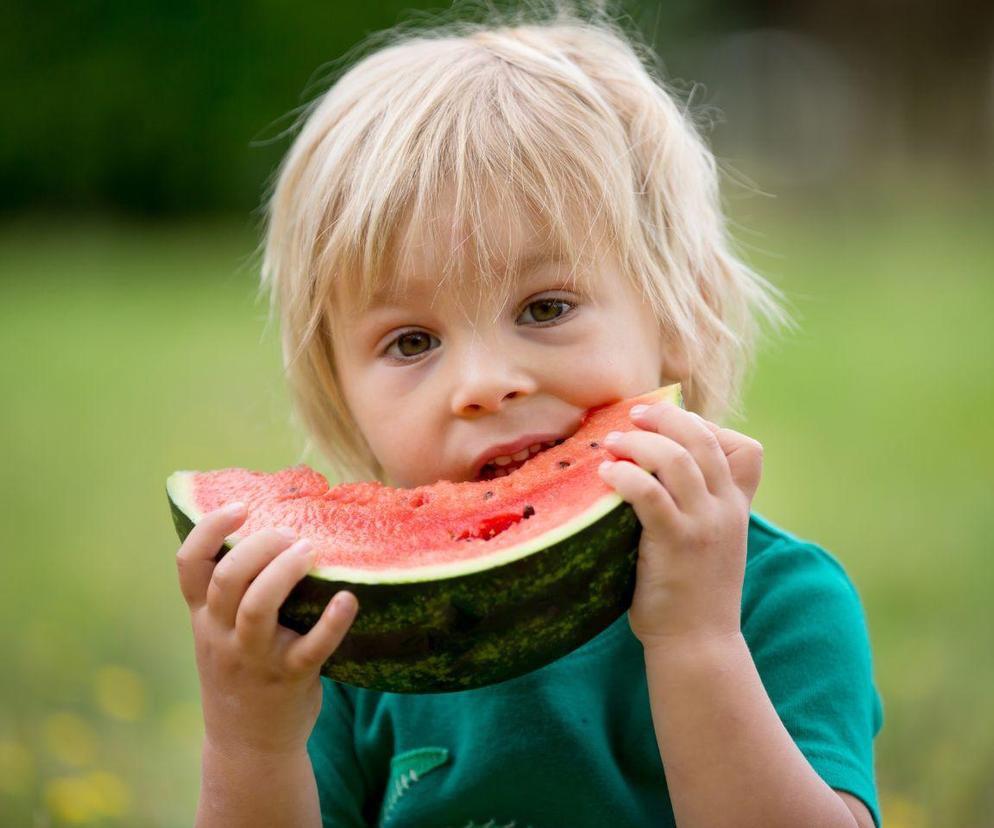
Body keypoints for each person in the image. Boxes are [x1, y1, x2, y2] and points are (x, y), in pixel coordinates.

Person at [174, 3, 883, 826]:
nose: (482, 383)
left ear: (680, 316)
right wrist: (251, 743)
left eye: (545, 308)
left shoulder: (781, 602)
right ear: (340, 393)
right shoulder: (346, 639)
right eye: (410, 342)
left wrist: (697, 642)